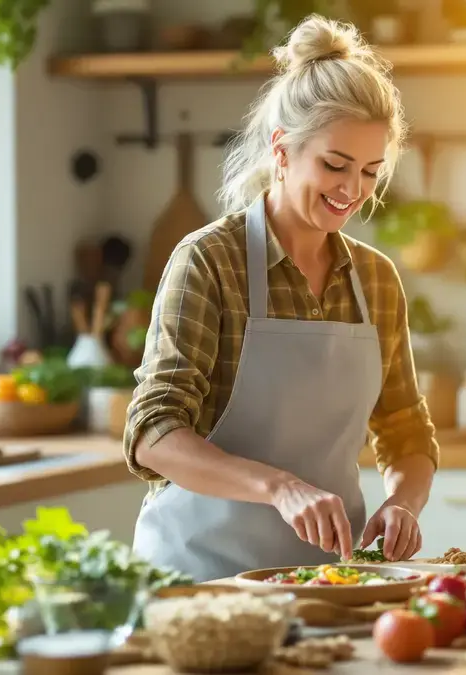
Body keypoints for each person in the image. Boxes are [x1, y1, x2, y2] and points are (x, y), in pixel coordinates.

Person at [123, 14, 439, 582]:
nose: (352, 191)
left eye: (370, 171)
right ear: (283, 151)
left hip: (327, 582)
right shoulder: (210, 263)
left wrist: (402, 505)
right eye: (334, 165)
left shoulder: (376, 281)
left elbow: (406, 432)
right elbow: (153, 433)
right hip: (201, 578)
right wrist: (279, 487)